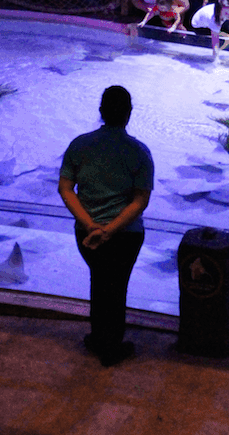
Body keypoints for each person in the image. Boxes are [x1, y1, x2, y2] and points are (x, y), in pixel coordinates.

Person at [58, 86, 154, 367]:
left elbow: (65, 189)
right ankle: (111, 347)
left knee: (99, 281)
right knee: (116, 287)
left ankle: (99, 337)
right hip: (126, 235)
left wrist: (91, 226)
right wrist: (110, 231)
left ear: (101, 112)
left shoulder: (79, 144)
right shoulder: (139, 151)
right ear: (129, 114)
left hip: (86, 235)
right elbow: (140, 201)